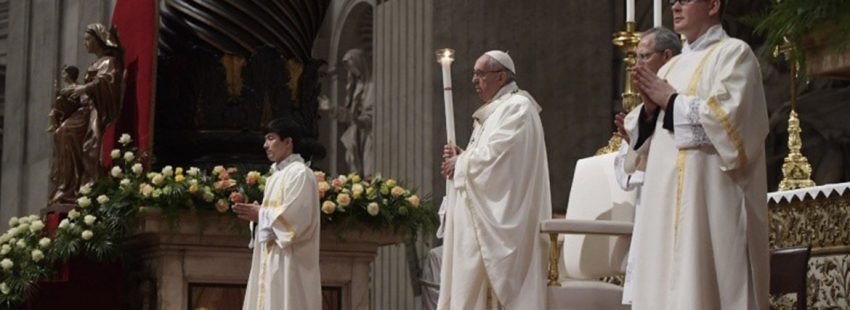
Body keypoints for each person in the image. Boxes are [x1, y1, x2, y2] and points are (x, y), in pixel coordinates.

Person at [624, 0, 769, 308]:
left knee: (702, 287)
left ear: (713, 5)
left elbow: (730, 125)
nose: (675, 7)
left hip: (709, 202)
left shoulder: (734, 55)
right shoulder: (670, 67)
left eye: (684, 0)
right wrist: (648, 113)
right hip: (663, 205)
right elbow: (646, 143)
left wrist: (670, 100)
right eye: (673, 2)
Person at [438, 50, 551, 309]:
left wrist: (462, 164)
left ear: (500, 77)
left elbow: (503, 158)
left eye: (480, 74)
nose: (474, 80)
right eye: (474, 74)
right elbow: (487, 157)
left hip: (502, 216)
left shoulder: (518, 107)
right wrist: (463, 158)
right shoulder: (495, 110)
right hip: (477, 214)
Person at [614, 26, 681, 305]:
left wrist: (643, 153)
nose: (637, 65)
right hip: (648, 210)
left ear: (667, 57)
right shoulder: (637, 114)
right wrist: (635, 143)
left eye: (644, 57)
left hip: (677, 207)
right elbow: (624, 175)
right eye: (636, 57)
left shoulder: (682, 100)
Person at [232, 117, 326, 310]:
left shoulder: (300, 173)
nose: (265, 145)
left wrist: (261, 214)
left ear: (288, 142)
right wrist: (258, 217)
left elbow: (297, 220)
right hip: (271, 259)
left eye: (271, 138)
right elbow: (273, 216)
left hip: (290, 263)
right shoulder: (275, 176)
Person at [50, 23, 124, 205]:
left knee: (68, 131)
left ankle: (77, 185)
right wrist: (70, 91)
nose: (85, 43)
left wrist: (84, 88)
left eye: (88, 39)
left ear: (98, 40)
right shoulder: (94, 64)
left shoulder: (109, 62)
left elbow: (107, 82)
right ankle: (68, 185)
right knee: (61, 131)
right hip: (86, 108)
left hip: (97, 110)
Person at [338, 48, 375, 175]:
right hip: (356, 132)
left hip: (369, 133)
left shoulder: (372, 86)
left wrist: (358, 119)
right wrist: (332, 108)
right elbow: (349, 113)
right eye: (350, 69)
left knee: (368, 165)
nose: (352, 71)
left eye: (353, 67)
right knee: (354, 165)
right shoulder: (356, 86)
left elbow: (371, 114)